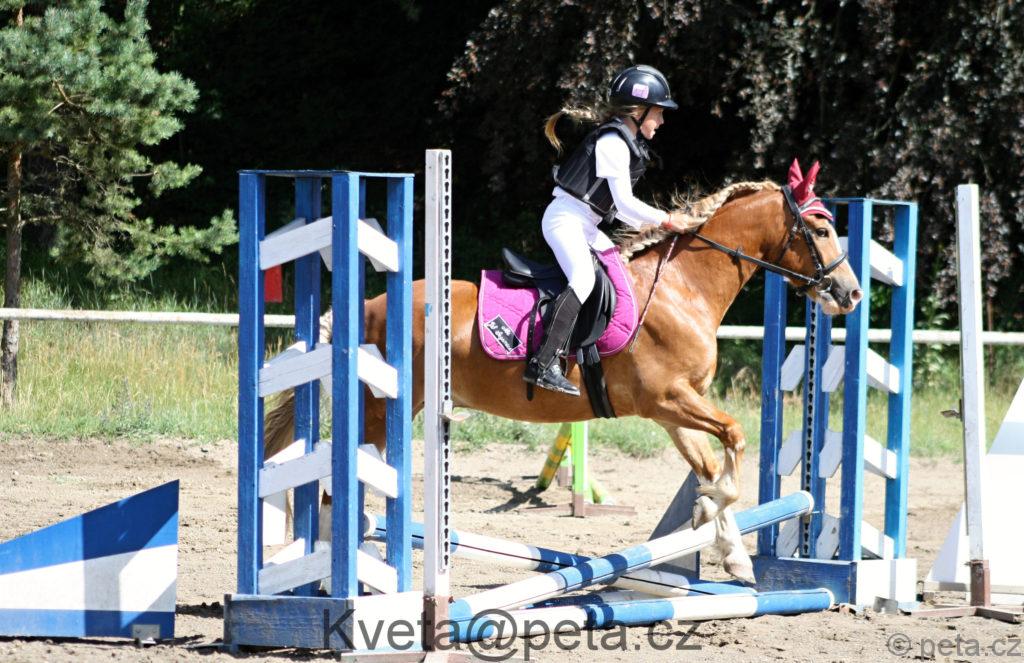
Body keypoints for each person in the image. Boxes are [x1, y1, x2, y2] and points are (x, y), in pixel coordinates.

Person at [523, 64, 694, 396]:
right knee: (584, 280)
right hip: (565, 220)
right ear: (638, 111)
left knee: (618, 274)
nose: (661, 121)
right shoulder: (613, 142)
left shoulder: (624, 141)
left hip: (585, 224)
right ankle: (542, 363)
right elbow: (625, 205)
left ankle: (591, 351)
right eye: (658, 113)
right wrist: (666, 219)